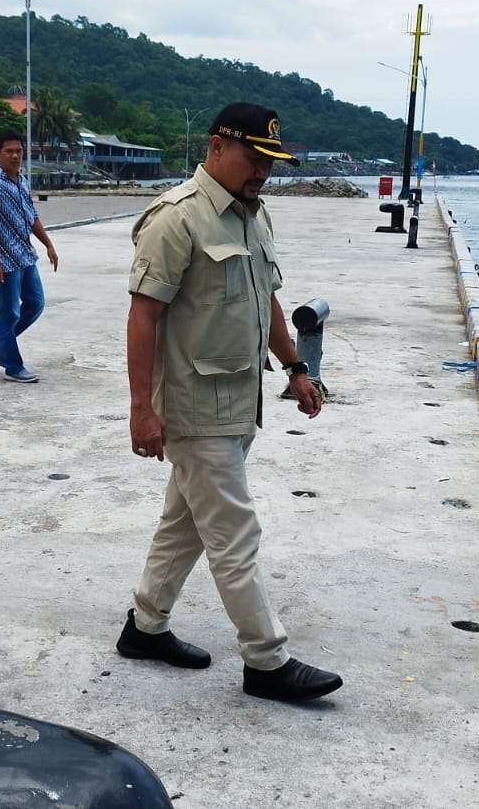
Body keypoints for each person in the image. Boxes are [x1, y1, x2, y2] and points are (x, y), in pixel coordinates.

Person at [117, 102, 342, 703]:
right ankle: (266, 660)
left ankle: (144, 627)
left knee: (185, 524)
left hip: (240, 402)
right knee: (235, 535)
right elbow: (143, 318)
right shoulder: (176, 220)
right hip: (193, 409)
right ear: (217, 146)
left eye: (271, 161)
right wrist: (142, 408)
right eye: (254, 157)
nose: (263, 171)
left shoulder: (251, 216)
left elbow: (266, 298)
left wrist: (295, 368)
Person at [0, 131, 58, 383]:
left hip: (24, 255)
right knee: (9, 313)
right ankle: (12, 366)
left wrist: (48, 244)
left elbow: (32, 217)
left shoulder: (22, 181)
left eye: (18, 151)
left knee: (35, 303)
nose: (15, 155)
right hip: (4, 261)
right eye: (9, 151)